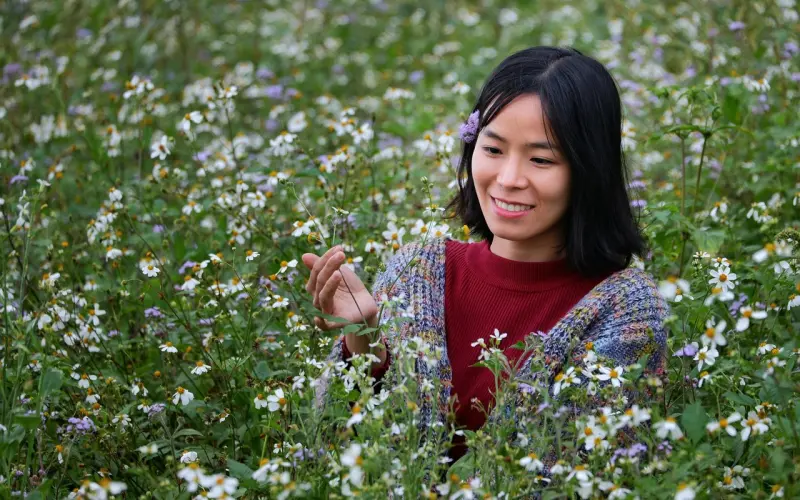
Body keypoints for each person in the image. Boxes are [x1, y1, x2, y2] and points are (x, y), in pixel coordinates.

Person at [303, 46, 669, 473]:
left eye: (541, 159)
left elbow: (581, 473)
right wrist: (363, 338)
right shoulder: (419, 269)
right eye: (493, 149)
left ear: (589, 170)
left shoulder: (625, 310)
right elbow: (329, 447)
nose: (509, 179)